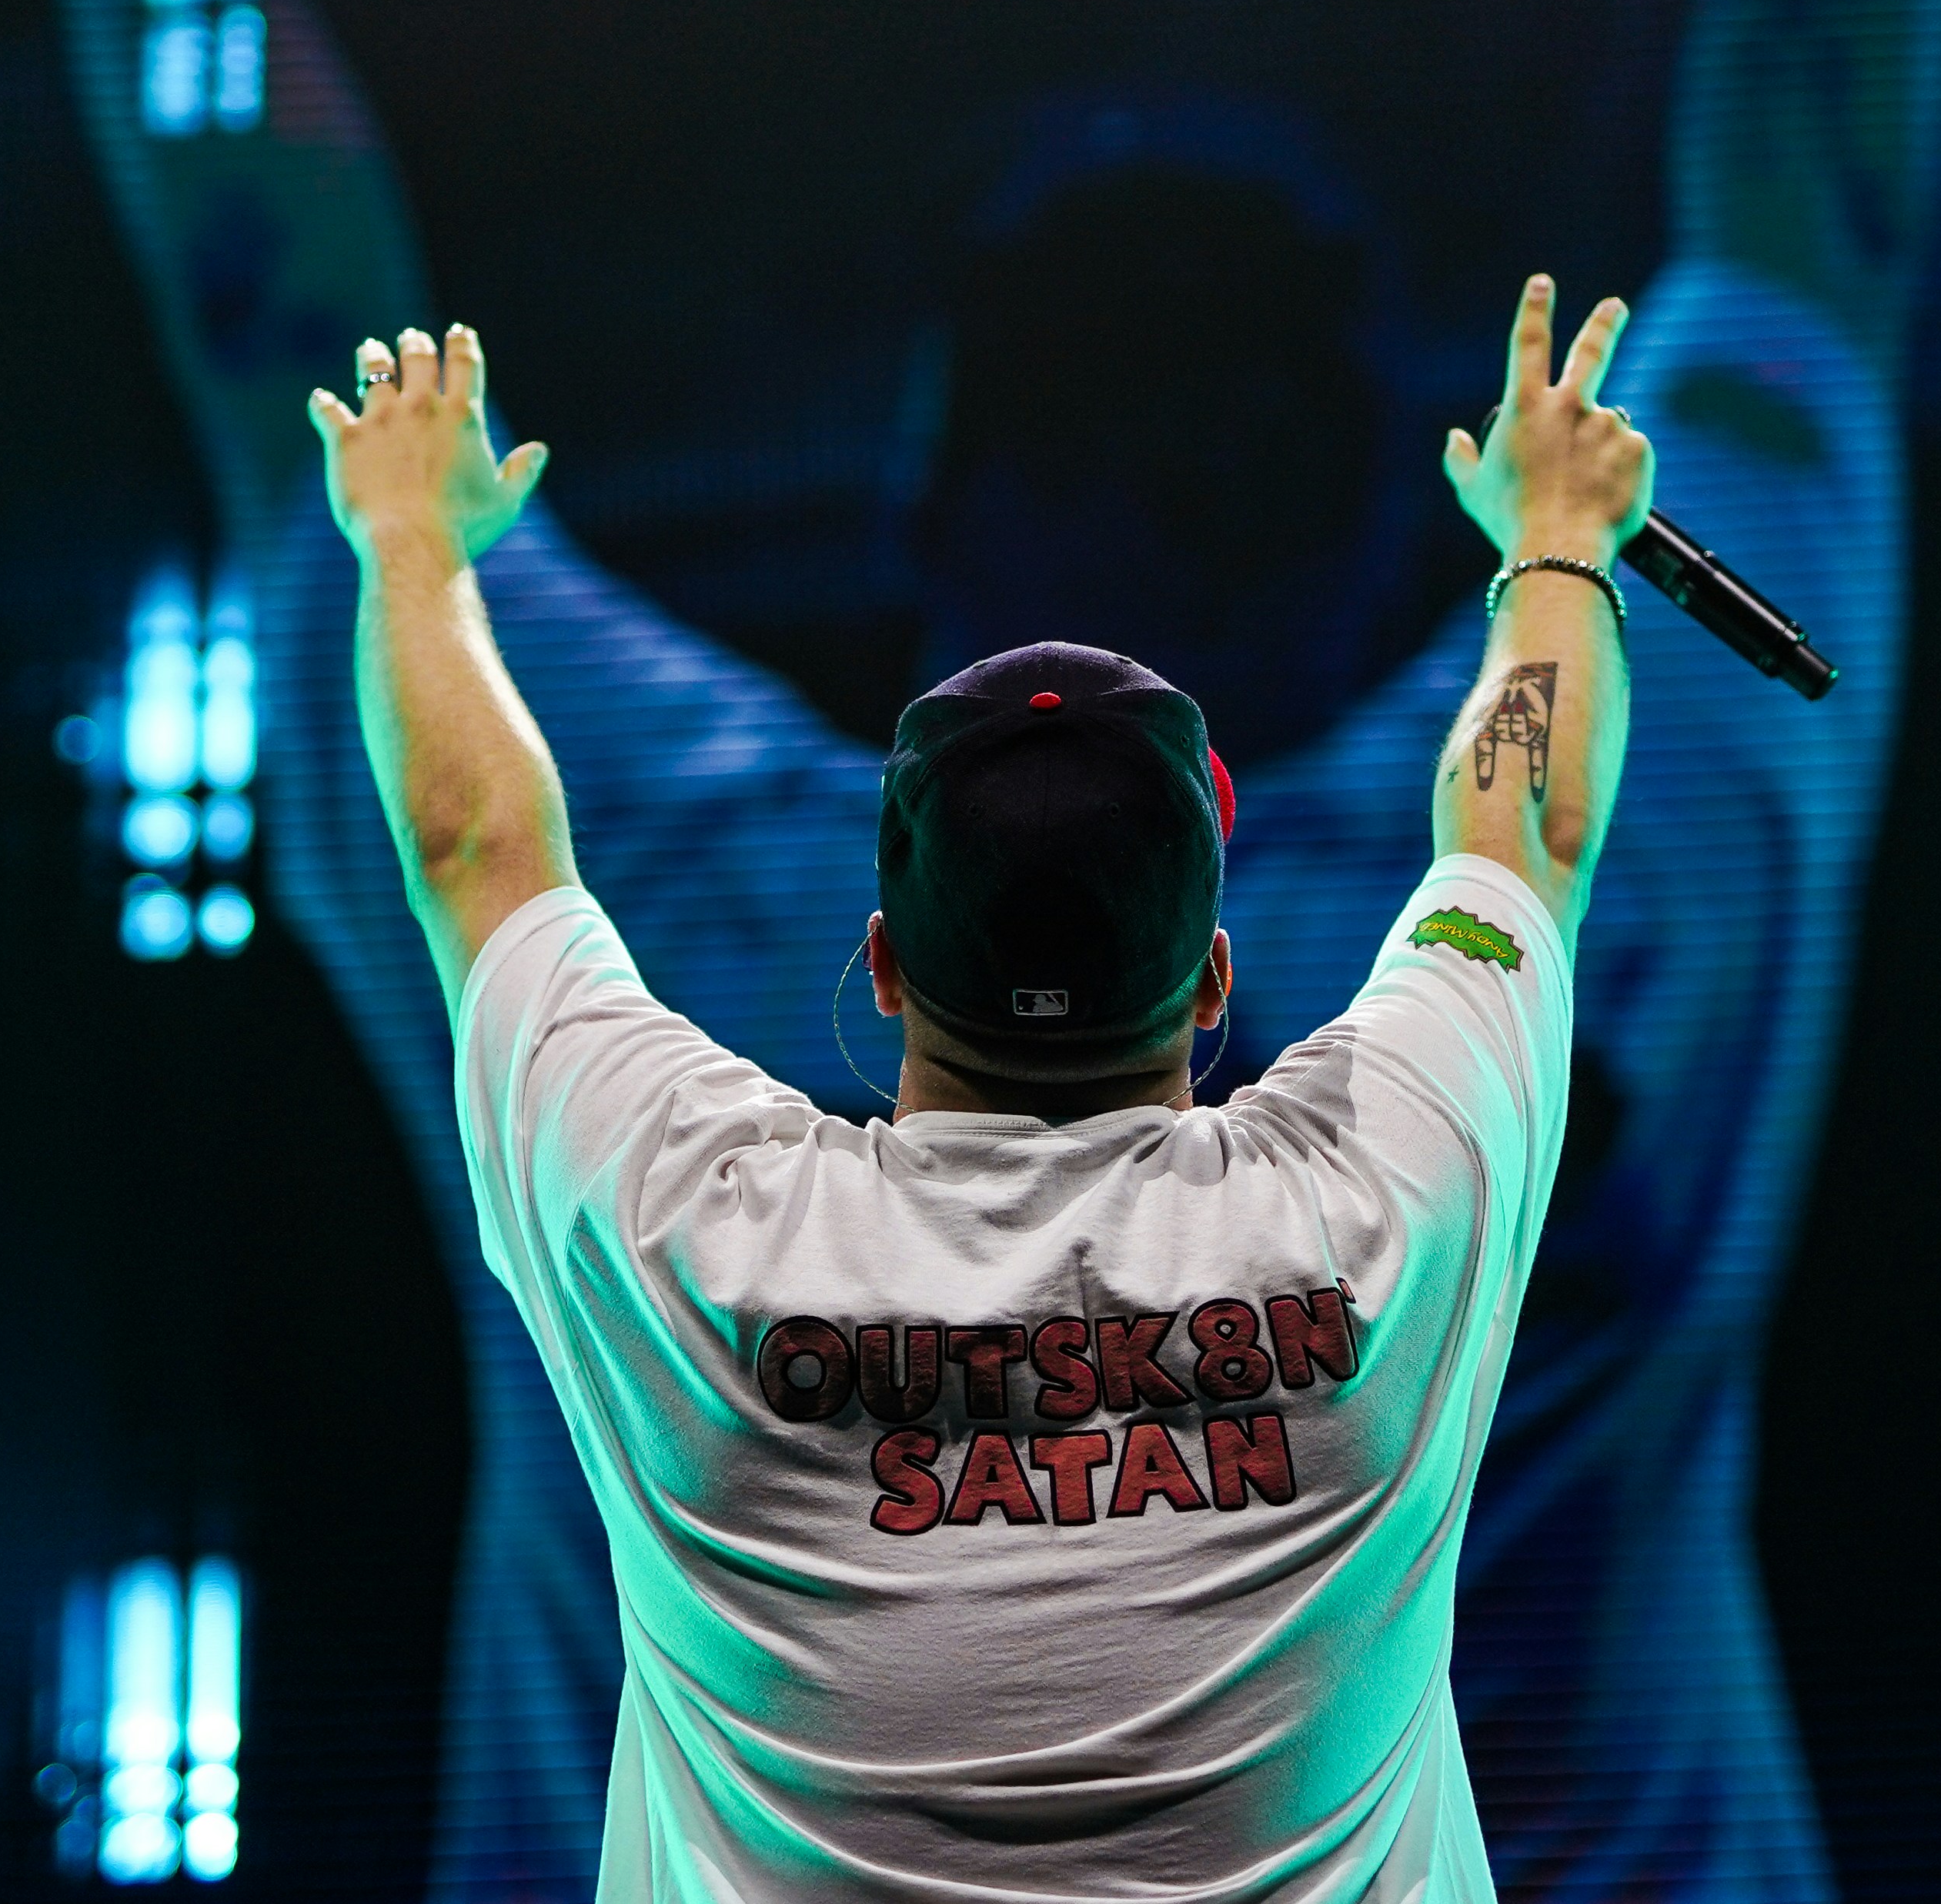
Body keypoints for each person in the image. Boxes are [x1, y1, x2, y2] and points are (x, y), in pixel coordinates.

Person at [0, 0, 1941, 1892]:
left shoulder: (683, 974)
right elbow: (1808, 232)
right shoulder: (1543, 994)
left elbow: (283, 357)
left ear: (883, 969)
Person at [308, 283, 1639, 1896]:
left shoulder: (686, 1216)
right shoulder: (1385, 1186)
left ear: (882, 958)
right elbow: (1522, 832)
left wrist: (407, 539)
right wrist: (1557, 536)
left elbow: (475, 844)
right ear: (1214, 981)